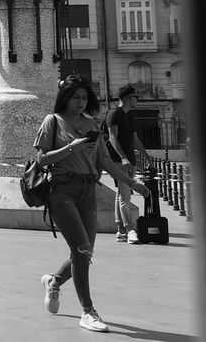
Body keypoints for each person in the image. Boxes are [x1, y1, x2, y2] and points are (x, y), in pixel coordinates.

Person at [35, 75, 150, 333]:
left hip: (88, 191)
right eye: (76, 97)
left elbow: (105, 161)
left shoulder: (91, 124)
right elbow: (41, 159)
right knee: (82, 248)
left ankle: (53, 283)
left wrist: (132, 184)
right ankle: (88, 311)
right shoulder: (52, 121)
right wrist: (71, 148)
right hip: (61, 190)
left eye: (84, 98)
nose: (80, 102)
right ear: (65, 98)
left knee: (84, 253)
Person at [103, 83, 142, 244]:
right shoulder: (114, 114)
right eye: (135, 97)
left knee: (121, 194)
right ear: (128, 98)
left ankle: (120, 230)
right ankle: (130, 229)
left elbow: (135, 139)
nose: (137, 100)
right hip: (118, 161)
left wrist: (147, 157)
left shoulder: (129, 116)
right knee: (126, 195)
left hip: (129, 160)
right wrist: (123, 158)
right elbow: (112, 137)